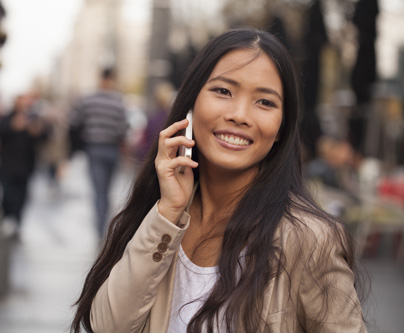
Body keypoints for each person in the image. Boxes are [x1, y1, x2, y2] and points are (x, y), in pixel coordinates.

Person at [71, 28, 367, 332]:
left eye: (264, 102)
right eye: (223, 91)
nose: (239, 115)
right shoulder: (160, 218)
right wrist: (168, 211)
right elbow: (107, 326)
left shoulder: (311, 239)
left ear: (281, 128)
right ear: (190, 104)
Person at [70, 68, 129, 239]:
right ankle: (103, 224)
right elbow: (123, 128)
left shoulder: (88, 100)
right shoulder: (119, 102)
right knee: (106, 190)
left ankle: (99, 227)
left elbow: (74, 120)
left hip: (94, 148)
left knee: (98, 190)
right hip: (112, 149)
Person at [0, 94, 49, 237]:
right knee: (6, 194)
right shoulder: (7, 118)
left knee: (22, 196)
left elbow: (44, 135)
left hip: (25, 166)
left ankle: (17, 223)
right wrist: (13, 126)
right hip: (7, 164)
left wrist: (36, 130)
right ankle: (7, 218)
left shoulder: (33, 118)